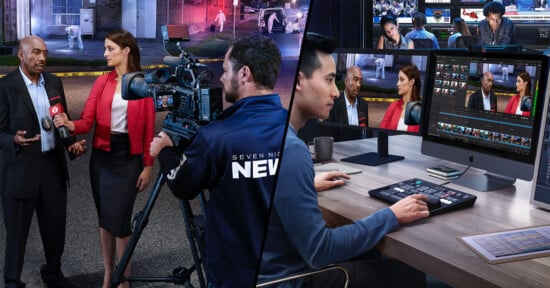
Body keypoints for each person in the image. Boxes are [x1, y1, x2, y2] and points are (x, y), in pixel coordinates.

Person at [257, 32, 430, 288]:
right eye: (329, 80)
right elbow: (320, 251)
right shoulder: (291, 149)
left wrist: (304, 183)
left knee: (371, 251)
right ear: (299, 81)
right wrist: (391, 215)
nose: (336, 92)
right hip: (291, 280)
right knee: (408, 274)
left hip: (265, 268)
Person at [149, 35, 287, 288]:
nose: (221, 78)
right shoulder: (292, 126)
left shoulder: (216, 137)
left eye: (225, 70)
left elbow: (183, 186)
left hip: (231, 273)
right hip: (281, 270)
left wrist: (165, 149)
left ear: (244, 74)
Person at [53, 29, 155, 288]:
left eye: (110, 48)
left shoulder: (143, 84)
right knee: (106, 221)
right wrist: (69, 124)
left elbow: (147, 130)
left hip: (129, 159)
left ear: (126, 51)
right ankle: (109, 273)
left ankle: (124, 279)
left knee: (120, 220)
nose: (105, 53)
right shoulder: (102, 82)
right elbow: (87, 121)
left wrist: (147, 166)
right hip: (102, 159)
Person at [0, 35, 86, 288]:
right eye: (36, 53)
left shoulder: (53, 83)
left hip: (52, 168)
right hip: (20, 168)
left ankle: (52, 273)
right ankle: (12, 281)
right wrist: (11, 140)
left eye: (45, 53)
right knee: (16, 231)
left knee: (55, 227)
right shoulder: (6, 87)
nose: (42, 58)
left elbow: (63, 121)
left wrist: (72, 143)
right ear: (21, 55)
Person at [380, 63, 422, 133]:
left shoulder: (421, 110)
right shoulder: (393, 106)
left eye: (402, 80)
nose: (398, 83)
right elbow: (382, 131)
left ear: (411, 82)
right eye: (398, 79)